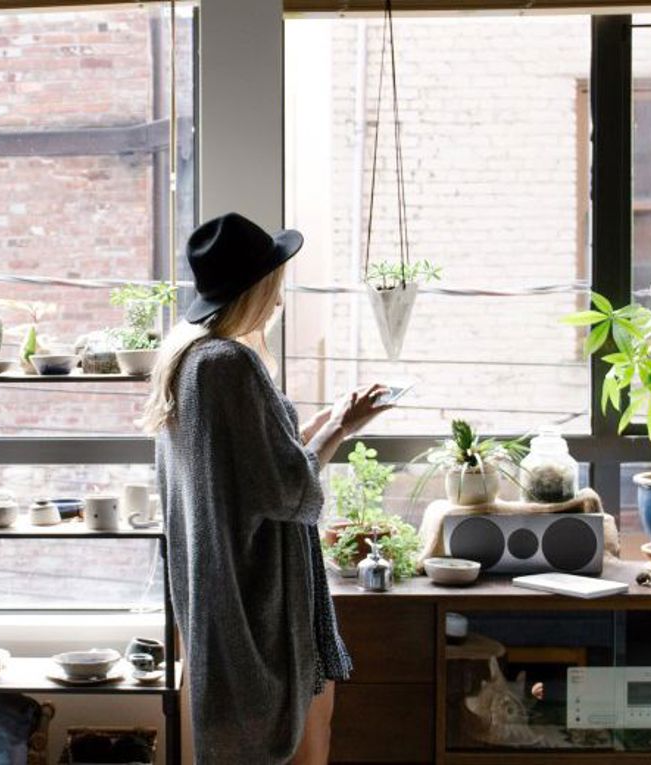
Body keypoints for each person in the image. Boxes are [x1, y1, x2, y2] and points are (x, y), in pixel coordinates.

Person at [142, 212, 393, 764]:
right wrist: (341, 430)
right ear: (254, 290)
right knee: (301, 737)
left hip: (213, 595)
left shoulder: (187, 359)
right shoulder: (229, 364)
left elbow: (249, 467)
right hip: (258, 601)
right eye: (274, 287)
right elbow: (290, 490)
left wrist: (319, 423)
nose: (279, 302)